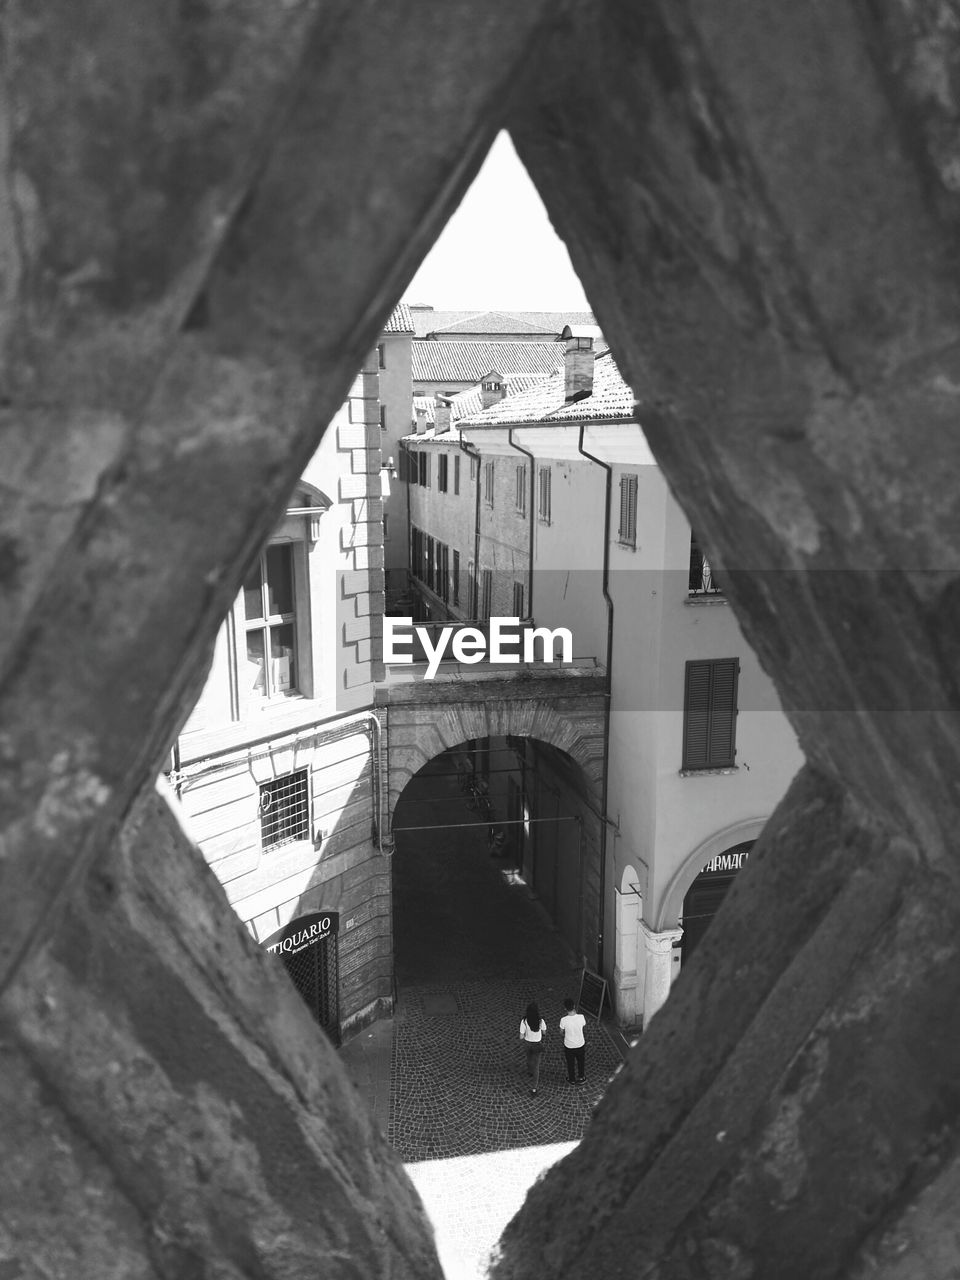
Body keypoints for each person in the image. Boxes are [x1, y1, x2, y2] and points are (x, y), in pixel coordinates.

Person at [520, 1001, 547, 1096]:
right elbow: (544, 1032)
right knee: (537, 1066)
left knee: (528, 1058)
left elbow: (521, 1036)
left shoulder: (524, 1021)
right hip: (537, 1044)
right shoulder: (541, 1021)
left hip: (527, 1043)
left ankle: (529, 1071)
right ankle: (534, 1088)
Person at [559, 996, 587, 1084]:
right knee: (581, 1061)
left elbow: (561, 1032)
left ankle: (572, 1079)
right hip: (580, 1043)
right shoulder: (581, 1017)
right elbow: (583, 1026)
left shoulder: (563, 1020)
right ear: (574, 1006)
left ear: (565, 1008)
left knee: (570, 1063)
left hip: (569, 1045)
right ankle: (581, 1077)